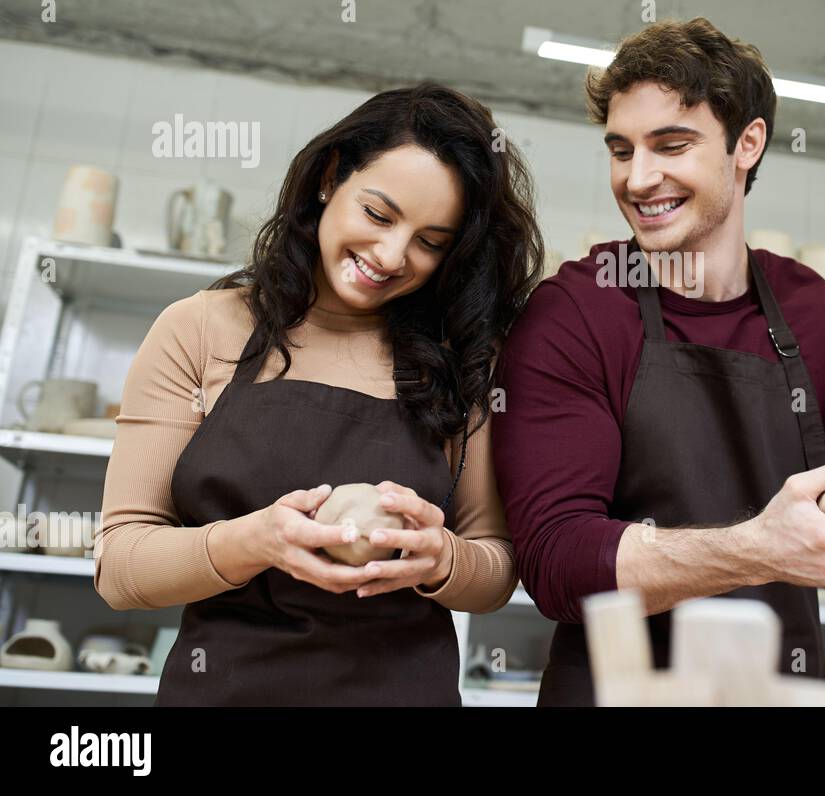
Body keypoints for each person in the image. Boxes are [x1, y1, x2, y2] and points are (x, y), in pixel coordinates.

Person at [493, 18, 825, 706]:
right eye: (621, 150)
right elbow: (558, 562)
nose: (638, 178)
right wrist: (758, 549)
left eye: (671, 145)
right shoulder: (575, 311)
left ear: (747, 144)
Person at [95, 82, 544, 705]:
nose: (391, 255)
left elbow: (495, 566)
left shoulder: (465, 358)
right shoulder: (199, 329)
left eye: (430, 242)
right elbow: (120, 566)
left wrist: (440, 560)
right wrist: (255, 541)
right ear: (331, 177)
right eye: (379, 215)